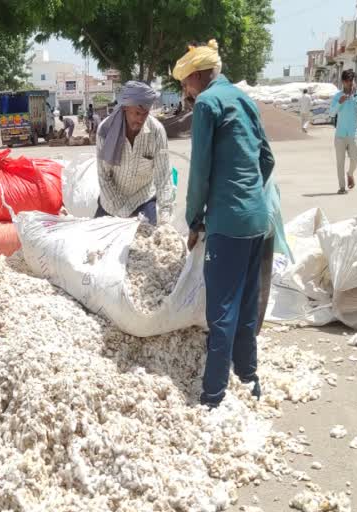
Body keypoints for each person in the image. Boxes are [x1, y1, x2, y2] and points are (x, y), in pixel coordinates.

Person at [173, 40, 274, 408]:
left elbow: (199, 170)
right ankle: (249, 380)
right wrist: (248, 194)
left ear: (198, 76)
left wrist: (195, 218)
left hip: (228, 225)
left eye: (185, 83)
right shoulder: (243, 98)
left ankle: (212, 396)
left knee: (223, 312)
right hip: (258, 221)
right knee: (248, 305)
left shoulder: (208, 104)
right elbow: (266, 159)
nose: (185, 90)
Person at [95, 81, 174, 224]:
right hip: (112, 202)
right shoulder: (105, 131)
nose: (141, 119)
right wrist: (122, 214)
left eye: (145, 114)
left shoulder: (156, 131)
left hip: (142, 198)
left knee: (149, 242)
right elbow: (104, 176)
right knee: (98, 244)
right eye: (137, 113)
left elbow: (163, 175)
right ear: (125, 107)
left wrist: (165, 215)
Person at [329, 69, 357, 194]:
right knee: (340, 162)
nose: (350, 83)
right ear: (343, 82)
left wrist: (354, 96)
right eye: (348, 81)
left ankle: (350, 173)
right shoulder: (337, 96)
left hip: (353, 134)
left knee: (354, 159)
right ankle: (342, 187)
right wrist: (340, 102)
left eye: (352, 80)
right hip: (340, 135)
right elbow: (332, 113)